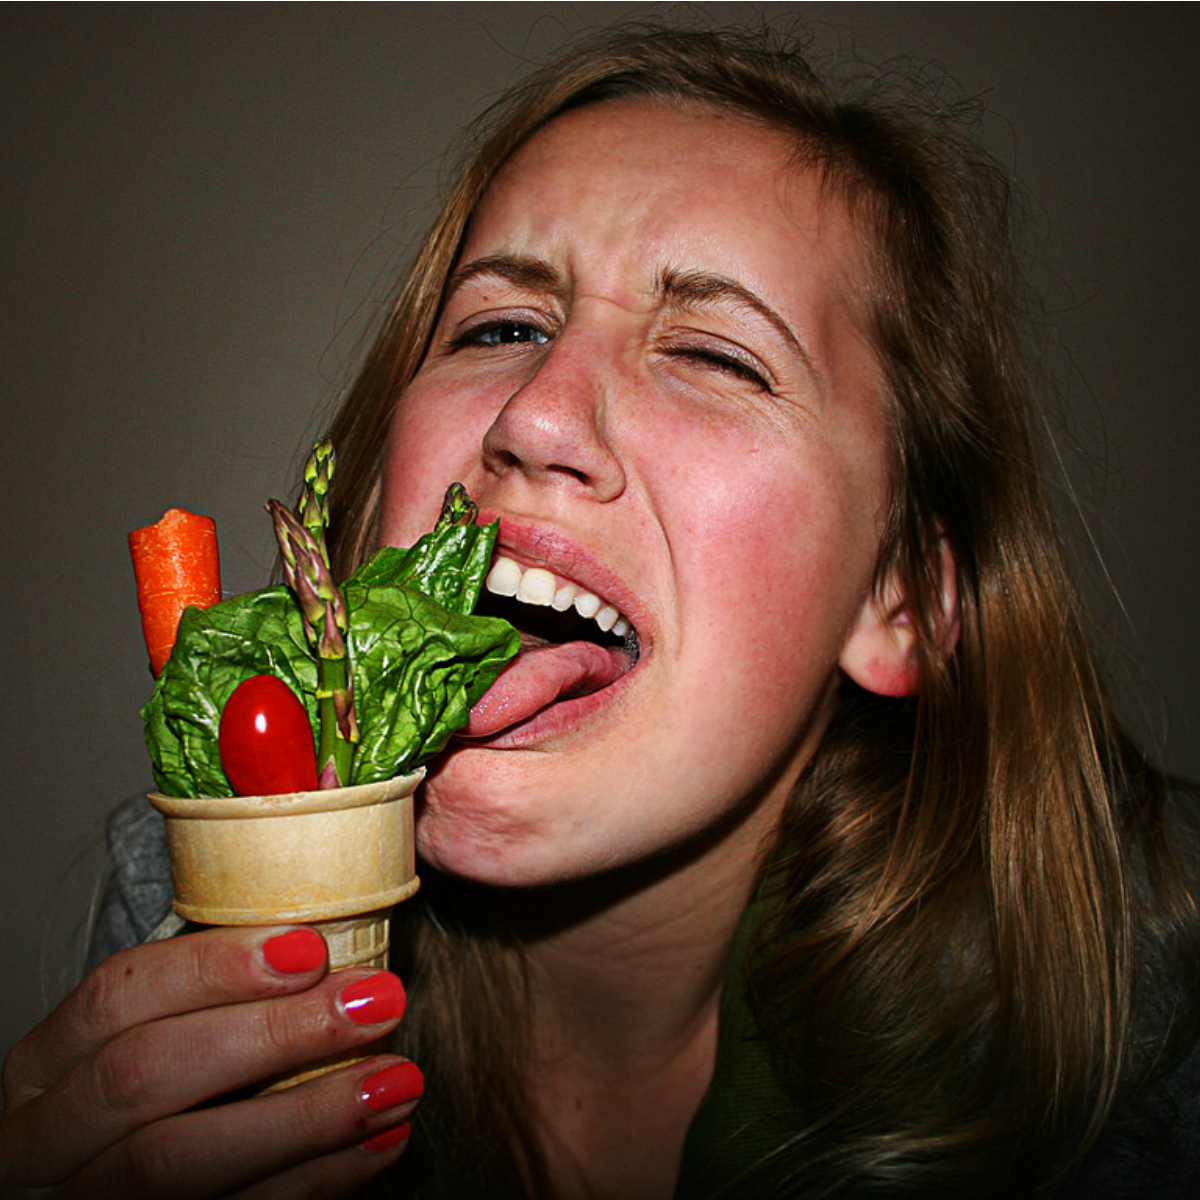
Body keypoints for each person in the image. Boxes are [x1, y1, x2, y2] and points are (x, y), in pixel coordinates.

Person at [3, 21, 1198, 1200]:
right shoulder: (188, 916)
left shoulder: (1152, 1022)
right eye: (501, 326)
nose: (536, 415)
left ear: (905, 605)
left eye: (716, 355)